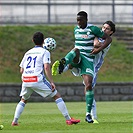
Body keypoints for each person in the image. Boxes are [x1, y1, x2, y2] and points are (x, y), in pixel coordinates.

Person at [52, 11, 112, 123]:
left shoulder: (93, 29)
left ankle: (88, 114)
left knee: (88, 85)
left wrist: (98, 49)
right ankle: (63, 63)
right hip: (78, 56)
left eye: (81, 20)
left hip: (88, 60)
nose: (79, 22)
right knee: (75, 50)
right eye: (77, 20)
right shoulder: (76, 29)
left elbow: (108, 39)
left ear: (86, 19)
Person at [11, 31, 80, 126]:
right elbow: (46, 67)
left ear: (32, 41)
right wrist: (52, 82)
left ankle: (15, 121)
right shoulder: (45, 52)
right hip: (37, 79)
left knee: (23, 99)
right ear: (43, 41)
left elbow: (21, 70)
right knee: (57, 95)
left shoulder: (28, 53)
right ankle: (68, 119)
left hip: (26, 79)